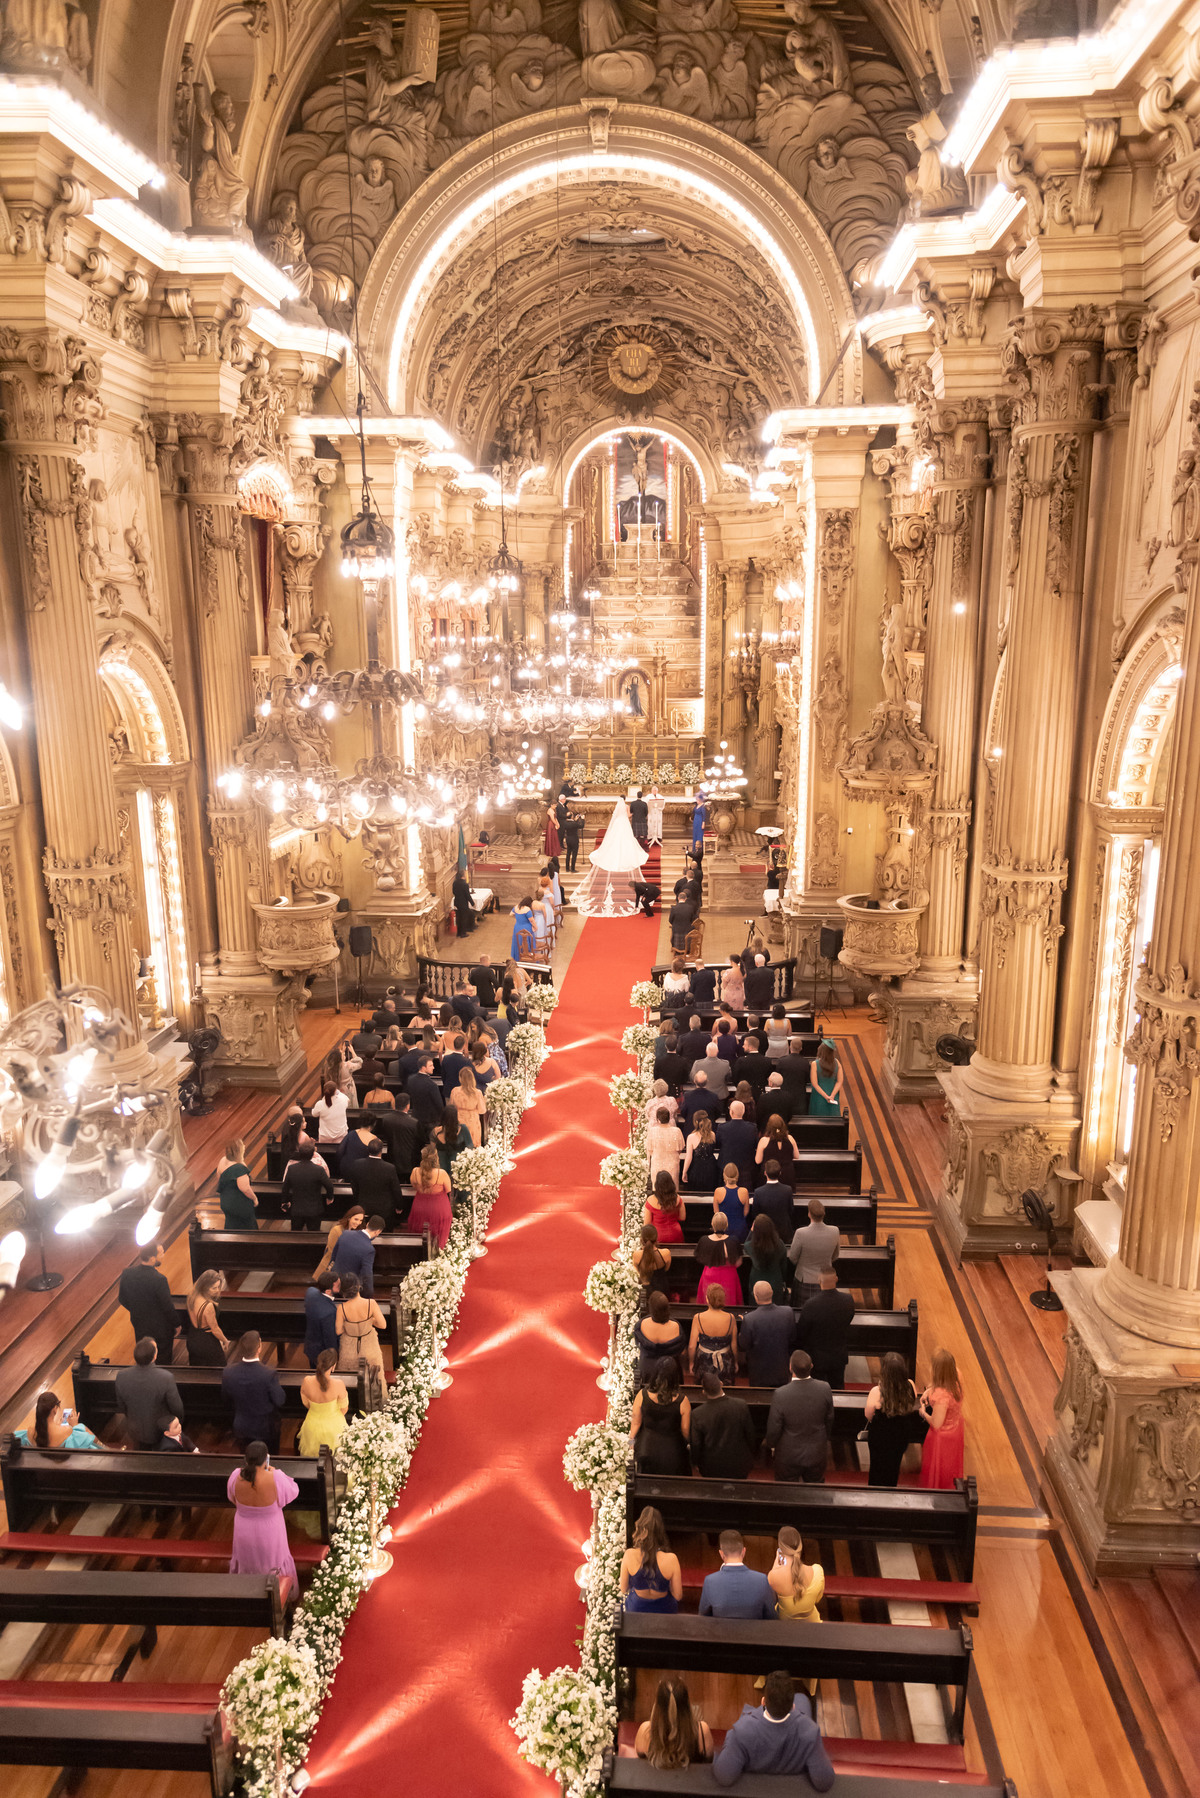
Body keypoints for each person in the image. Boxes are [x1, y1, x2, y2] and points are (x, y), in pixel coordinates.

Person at [713, 1669, 835, 1789]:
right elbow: (824, 1782)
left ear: (763, 1701)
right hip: (791, 1782)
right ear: (793, 1706)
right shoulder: (810, 1732)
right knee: (802, 1698)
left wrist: (728, 1740)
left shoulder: (741, 1732)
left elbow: (724, 1777)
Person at [227, 1441, 300, 1593]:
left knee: (247, 1561)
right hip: (270, 1529)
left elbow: (232, 1498)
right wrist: (273, 1470)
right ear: (266, 1458)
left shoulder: (235, 1476)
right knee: (273, 1561)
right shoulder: (276, 1477)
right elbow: (293, 1492)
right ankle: (280, 1595)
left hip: (244, 1528)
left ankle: (247, 1593)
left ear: (245, 1460)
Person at [764, 1350, 833, 1483]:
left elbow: (774, 1426)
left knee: (786, 1493)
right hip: (816, 1453)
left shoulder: (781, 1394)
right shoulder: (825, 1388)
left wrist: (771, 1445)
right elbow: (829, 1419)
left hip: (788, 1455)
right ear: (811, 1366)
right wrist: (823, 1440)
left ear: (790, 1368)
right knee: (815, 1495)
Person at [865, 1351, 928, 1486]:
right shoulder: (910, 1385)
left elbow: (868, 1415)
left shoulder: (877, 1391)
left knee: (877, 1465)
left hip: (880, 1436)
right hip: (901, 1433)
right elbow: (911, 1403)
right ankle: (891, 1488)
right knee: (894, 1464)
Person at [115, 1337, 184, 1450]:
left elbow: (121, 1406)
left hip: (135, 1430)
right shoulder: (166, 1377)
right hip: (160, 1430)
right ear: (154, 1356)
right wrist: (177, 1424)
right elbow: (177, 1407)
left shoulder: (121, 1376)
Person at [223, 1331, 285, 1453]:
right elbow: (280, 1400)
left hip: (242, 1426)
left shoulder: (228, 1372)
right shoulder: (268, 1374)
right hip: (265, 1428)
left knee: (246, 1458)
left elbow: (226, 1399)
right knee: (269, 1459)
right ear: (259, 1348)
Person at [117, 1243, 178, 1367]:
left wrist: (137, 1309)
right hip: (161, 1328)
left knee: (144, 1355)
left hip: (139, 1323)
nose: (163, 1255)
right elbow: (167, 1306)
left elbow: (122, 1298)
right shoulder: (159, 1279)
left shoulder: (127, 1273)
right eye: (161, 1253)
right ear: (152, 1259)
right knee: (163, 1359)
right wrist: (177, 1324)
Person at [634, 1676, 713, 1767]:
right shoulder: (702, 1730)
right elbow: (708, 1767)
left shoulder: (645, 1730)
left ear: (657, 1706)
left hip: (654, 1781)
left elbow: (642, 1767)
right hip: (690, 1781)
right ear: (687, 1704)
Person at [690, 1372, 756, 1479]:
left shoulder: (698, 1414)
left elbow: (696, 1444)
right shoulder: (740, 1405)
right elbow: (750, 1434)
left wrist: (695, 1462)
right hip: (739, 1464)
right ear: (721, 1384)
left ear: (704, 1392)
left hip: (711, 1467)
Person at [796, 1267, 855, 1387]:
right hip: (838, 1355)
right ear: (836, 1279)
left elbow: (802, 1331)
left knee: (817, 1390)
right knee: (838, 1389)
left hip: (817, 1358)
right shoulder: (848, 1300)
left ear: (819, 1281)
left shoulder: (811, 1304)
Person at [630, 1359, 690, 1475]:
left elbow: (635, 1423)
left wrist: (630, 1443)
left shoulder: (642, 1395)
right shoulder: (683, 1401)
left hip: (645, 1448)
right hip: (673, 1452)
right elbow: (685, 1431)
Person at [620, 1505, 682, 1614]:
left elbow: (624, 1589)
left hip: (636, 1609)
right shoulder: (672, 1559)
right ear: (660, 1531)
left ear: (640, 1529)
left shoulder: (629, 1554)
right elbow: (678, 1596)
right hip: (664, 1610)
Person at [699, 1530, 774, 1618]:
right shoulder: (762, 1580)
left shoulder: (710, 1581)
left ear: (721, 1554)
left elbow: (703, 1616)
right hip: (753, 1631)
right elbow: (771, 1616)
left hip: (721, 1631)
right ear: (743, 1551)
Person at [919, 1348, 966, 1487]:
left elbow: (936, 1423)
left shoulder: (942, 1396)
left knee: (940, 1470)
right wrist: (929, 1390)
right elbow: (940, 1381)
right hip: (956, 1428)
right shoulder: (956, 1375)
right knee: (951, 1465)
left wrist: (923, 1413)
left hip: (942, 1438)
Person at [739, 1281, 796, 1389]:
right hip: (781, 1371)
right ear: (772, 1293)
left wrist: (744, 1326)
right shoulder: (788, 1312)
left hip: (759, 1374)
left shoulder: (750, 1319)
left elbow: (744, 1345)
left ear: (755, 1296)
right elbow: (793, 1339)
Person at [788, 1197, 841, 1305]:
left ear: (809, 1214)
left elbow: (793, 1258)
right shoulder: (835, 1231)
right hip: (825, 1280)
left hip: (804, 1279)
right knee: (822, 1312)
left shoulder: (800, 1233)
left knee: (801, 1313)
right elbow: (835, 1256)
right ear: (823, 1214)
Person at [345, 1138, 404, 1230]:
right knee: (385, 1235)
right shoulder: (389, 1168)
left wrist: (358, 1202)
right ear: (381, 1150)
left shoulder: (357, 1164)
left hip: (363, 1207)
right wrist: (399, 1206)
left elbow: (354, 1186)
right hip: (384, 1211)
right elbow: (396, 1189)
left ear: (368, 1150)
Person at [298, 1350, 349, 1455]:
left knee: (311, 1463)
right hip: (334, 1428)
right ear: (333, 1366)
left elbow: (305, 1403)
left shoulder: (307, 1381)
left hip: (312, 1426)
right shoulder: (338, 1384)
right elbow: (344, 1408)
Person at [334, 1270, 386, 1371]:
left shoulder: (342, 1308)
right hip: (370, 1347)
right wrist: (370, 1321)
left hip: (349, 1350)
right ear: (358, 1286)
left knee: (350, 1379)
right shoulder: (371, 1303)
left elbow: (338, 1331)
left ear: (343, 1291)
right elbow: (383, 1325)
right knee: (375, 1379)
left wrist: (349, 1325)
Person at [15, 1390, 100, 1451]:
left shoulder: (31, 1431)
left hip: (41, 1471)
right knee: (82, 1428)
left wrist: (57, 1425)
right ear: (55, 1409)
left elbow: (46, 1432)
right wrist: (75, 1425)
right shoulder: (66, 1430)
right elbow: (92, 1440)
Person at [633, 1289, 686, 1382]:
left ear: (651, 1308)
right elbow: (682, 1350)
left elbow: (638, 1344)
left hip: (648, 1369)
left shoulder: (641, 1324)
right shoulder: (676, 1326)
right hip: (670, 1369)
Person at [282, 1140, 334, 1232]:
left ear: (300, 1153)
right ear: (313, 1154)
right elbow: (329, 1185)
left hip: (297, 1209)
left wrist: (285, 1201)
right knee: (314, 1235)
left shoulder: (292, 1169)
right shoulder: (319, 1170)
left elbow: (285, 1187)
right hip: (314, 1210)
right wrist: (329, 1197)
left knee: (296, 1234)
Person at [689, 1285, 738, 1382]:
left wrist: (691, 1363)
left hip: (703, 1362)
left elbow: (691, 1346)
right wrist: (736, 1362)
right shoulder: (731, 1318)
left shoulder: (698, 1317)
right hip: (725, 1362)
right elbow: (734, 1345)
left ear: (707, 1299)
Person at [409, 1144, 453, 1249]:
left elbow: (414, 1186)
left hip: (420, 1207)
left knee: (421, 1234)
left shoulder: (415, 1171)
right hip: (438, 1208)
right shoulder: (441, 1173)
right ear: (436, 1158)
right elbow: (448, 1190)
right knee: (438, 1235)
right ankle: (439, 1252)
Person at [694, 1214, 744, 1306]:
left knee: (710, 1303)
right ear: (726, 1225)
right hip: (729, 1276)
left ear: (712, 1224)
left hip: (710, 1274)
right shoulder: (733, 1240)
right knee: (729, 1305)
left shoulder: (704, 1240)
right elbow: (738, 1262)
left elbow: (700, 1258)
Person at [371, 1090, 423, 1178]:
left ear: (395, 1104)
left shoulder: (386, 1119)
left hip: (392, 1160)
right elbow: (421, 1141)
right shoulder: (414, 1123)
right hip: (410, 1162)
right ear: (408, 1106)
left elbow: (380, 1136)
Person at [332, 1213, 384, 1294]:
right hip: (349, 1289)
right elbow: (366, 1275)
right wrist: (369, 1295)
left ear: (367, 1224)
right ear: (378, 1231)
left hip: (334, 1283)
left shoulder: (345, 1233)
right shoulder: (369, 1249)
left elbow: (333, 1256)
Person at [186, 1269, 229, 1365]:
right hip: (206, 1341)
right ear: (204, 1287)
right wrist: (225, 1341)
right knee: (219, 1370)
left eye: (218, 1287)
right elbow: (215, 1329)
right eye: (214, 1288)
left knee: (197, 1370)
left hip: (192, 1337)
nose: (217, 1290)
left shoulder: (192, 1296)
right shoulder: (208, 1305)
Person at [747, 1213, 790, 1303]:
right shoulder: (780, 1244)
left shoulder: (751, 1246)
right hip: (775, 1281)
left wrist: (751, 1231)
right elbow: (784, 1266)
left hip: (756, 1282)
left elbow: (745, 1244)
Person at [314, 1205, 365, 1280]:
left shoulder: (358, 1232)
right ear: (349, 1218)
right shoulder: (337, 1230)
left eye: (361, 1220)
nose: (358, 1223)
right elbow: (331, 1251)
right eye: (356, 1219)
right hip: (332, 1268)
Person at [217, 1139, 258, 1230]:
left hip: (226, 1202)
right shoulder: (239, 1168)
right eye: (242, 1146)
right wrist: (255, 1198)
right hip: (239, 1204)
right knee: (248, 1227)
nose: (244, 1147)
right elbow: (245, 1189)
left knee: (231, 1225)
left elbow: (219, 1179)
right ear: (239, 1151)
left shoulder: (223, 1160)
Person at [312, 1080, 350, 1174]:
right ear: (335, 1091)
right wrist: (338, 1092)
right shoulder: (342, 1100)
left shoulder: (320, 1104)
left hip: (325, 1137)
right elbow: (347, 1100)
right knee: (340, 1156)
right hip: (341, 1135)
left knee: (324, 1157)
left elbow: (314, 1114)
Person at [304, 1269, 340, 1367]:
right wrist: (334, 1359)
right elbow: (330, 1339)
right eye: (337, 1284)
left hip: (310, 1346)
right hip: (321, 1354)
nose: (339, 1283)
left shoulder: (310, 1292)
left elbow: (312, 1290)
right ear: (328, 1291)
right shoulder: (329, 1312)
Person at [432, 1102, 473, 1187]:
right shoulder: (463, 1129)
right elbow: (470, 1148)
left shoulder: (436, 1131)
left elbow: (432, 1151)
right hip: (458, 1171)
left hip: (441, 1172)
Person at [750, 1162, 794, 1238]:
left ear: (765, 1173)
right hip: (783, 1232)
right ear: (780, 1173)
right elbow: (791, 1210)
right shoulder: (788, 1190)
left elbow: (755, 1213)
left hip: (764, 1232)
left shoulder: (758, 1192)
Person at [716, 1102, 757, 1183]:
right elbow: (755, 1144)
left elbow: (717, 1144)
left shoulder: (722, 1128)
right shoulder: (752, 1128)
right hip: (746, 1168)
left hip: (726, 1168)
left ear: (731, 1112)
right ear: (743, 1112)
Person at [681, 1109, 721, 1192]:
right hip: (711, 1168)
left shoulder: (691, 1137)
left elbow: (689, 1157)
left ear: (696, 1121)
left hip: (697, 1169)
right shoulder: (712, 1134)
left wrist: (684, 1172)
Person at [632, 1223, 673, 1304]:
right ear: (656, 1238)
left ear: (641, 1239)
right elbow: (666, 1269)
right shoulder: (666, 1253)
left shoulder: (636, 1255)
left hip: (645, 1290)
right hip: (662, 1289)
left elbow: (638, 1271)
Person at [756, 1112, 799, 1188]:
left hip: (769, 1175)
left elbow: (758, 1160)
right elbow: (796, 1156)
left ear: (768, 1126)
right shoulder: (790, 1138)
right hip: (787, 1175)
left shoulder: (764, 1140)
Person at [647, 1105, 685, 1187]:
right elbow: (680, 1149)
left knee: (658, 1190)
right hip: (672, 1164)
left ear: (658, 1119)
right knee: (672, 1188)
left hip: (657, 1163)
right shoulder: (677, 1131)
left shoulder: (652, 1131)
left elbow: (650, 1150)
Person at [712, 1161, 750, 1243]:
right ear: (737, 1175)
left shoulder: (718, 1191)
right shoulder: (744, 1191)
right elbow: (746, 1212)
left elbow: (716, 1212)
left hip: (723, 1229)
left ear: (724, 1176)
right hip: (740, 1229)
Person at [644, 1170, 686, 1243]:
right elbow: (682, 1217)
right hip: (676, 1234)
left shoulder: (650, 1200)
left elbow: (647, 1223)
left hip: (658, 1236)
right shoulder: (678, 1198)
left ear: (657, 1184)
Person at [406, 1055, 446, 1131]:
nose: (433, 1067)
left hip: (415, 1117)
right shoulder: (432, 1085)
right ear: (423, 1068)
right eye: (430, 1065)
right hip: (430, 1121)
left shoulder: (410, 1079)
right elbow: (439, 1105)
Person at [808, 1038, 844, 1117]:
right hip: (833, 1096)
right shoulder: (837, 1063)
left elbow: (815, 1084)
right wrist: (832, 1096)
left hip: (819, 1097)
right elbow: (839, 1081)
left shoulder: (815, 1064)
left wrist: (826, 1097)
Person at [691, 1040, 731, 1104]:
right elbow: (728, 1079)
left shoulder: (697, 1064)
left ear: (706, 1051)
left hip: (702, 1097)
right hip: (720, 1097)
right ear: (717, 1051)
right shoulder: (725, 1064)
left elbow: (692, 1078)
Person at [452, 870, 476, 938]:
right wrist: (472, 903)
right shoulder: (464, 884)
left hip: (457, 902)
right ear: (463, 875)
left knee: (458, 918)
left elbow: (453, 892)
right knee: (463, 918)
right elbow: (467, 895)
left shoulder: (455, 883)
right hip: (463, 903)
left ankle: (458, 933)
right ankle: (463, 933)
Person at [561, 808, 582, 873]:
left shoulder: (565, 823)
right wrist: (583, 819)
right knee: (574, 854)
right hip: (574, 839)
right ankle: (573, 868)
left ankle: (567, 868)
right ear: (571, 816)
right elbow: (581, 826)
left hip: (568, 838)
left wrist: (574, 820)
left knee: (568, 854)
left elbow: (572, 823)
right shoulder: (574, 823)